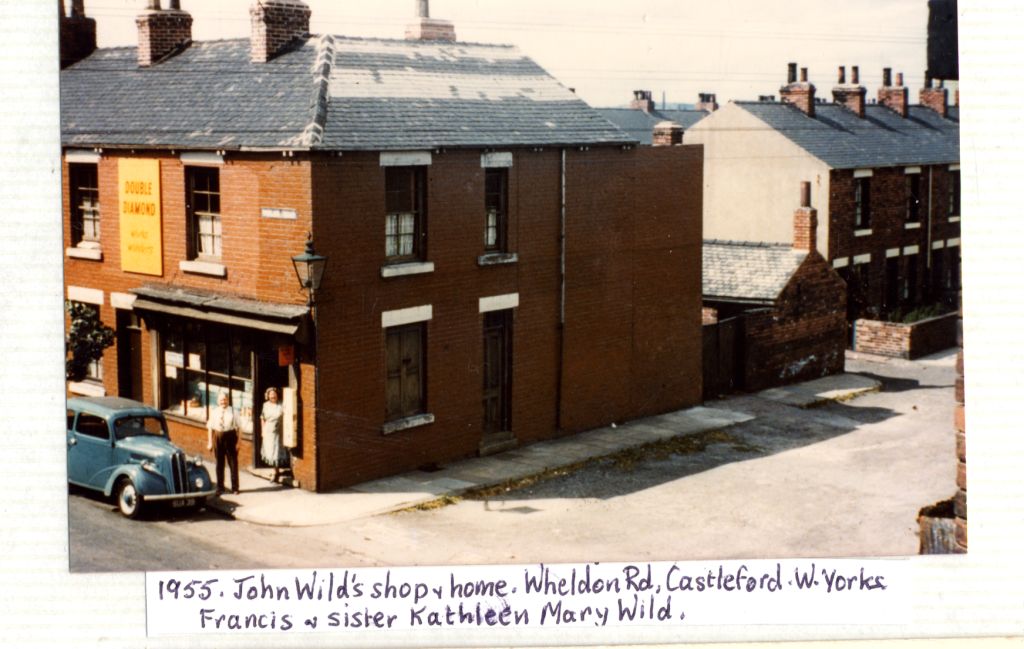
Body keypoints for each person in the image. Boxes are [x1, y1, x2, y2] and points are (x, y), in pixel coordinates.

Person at [206, 390, 240, 496]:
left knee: (233, 463)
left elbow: (240, 428)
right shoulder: (214, 411)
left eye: (225, 399)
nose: (223, 402)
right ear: (218, 401)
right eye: (221, 400)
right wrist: (210, 442)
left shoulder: (234, 411)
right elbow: (210, 428)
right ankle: (220, 487)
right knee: (219, 464)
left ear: (228, 400)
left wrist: (239, 442)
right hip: (218, 437)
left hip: (230, 436)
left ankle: (235, 488)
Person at [259, 387, 288, 483]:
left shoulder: (281, 405)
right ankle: (275, 471)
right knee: (270, 452)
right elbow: (262, 418)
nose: (273, 397)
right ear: (268, 396)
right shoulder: (265, 405)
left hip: (278, 431)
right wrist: (262, 430)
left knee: (276, 452)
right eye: (271, 395)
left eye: (274, 395)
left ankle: (276, 472)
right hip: (268, 431)